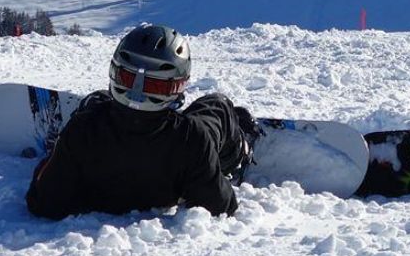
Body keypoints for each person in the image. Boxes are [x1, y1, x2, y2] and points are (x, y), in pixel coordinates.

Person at [26, 23, 256, 220]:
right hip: (185, 146)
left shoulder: (84, 128)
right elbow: (219, 207)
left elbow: (44, 203)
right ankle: (238, 150)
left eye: (154, 85)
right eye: (128, 79)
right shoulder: (192, 138)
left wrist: (58, 154)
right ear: (178, 85)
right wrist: (207, 171)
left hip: (97, 130)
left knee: (96, 100)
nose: (138, 92)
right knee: (216, 106)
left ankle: (89, 109)